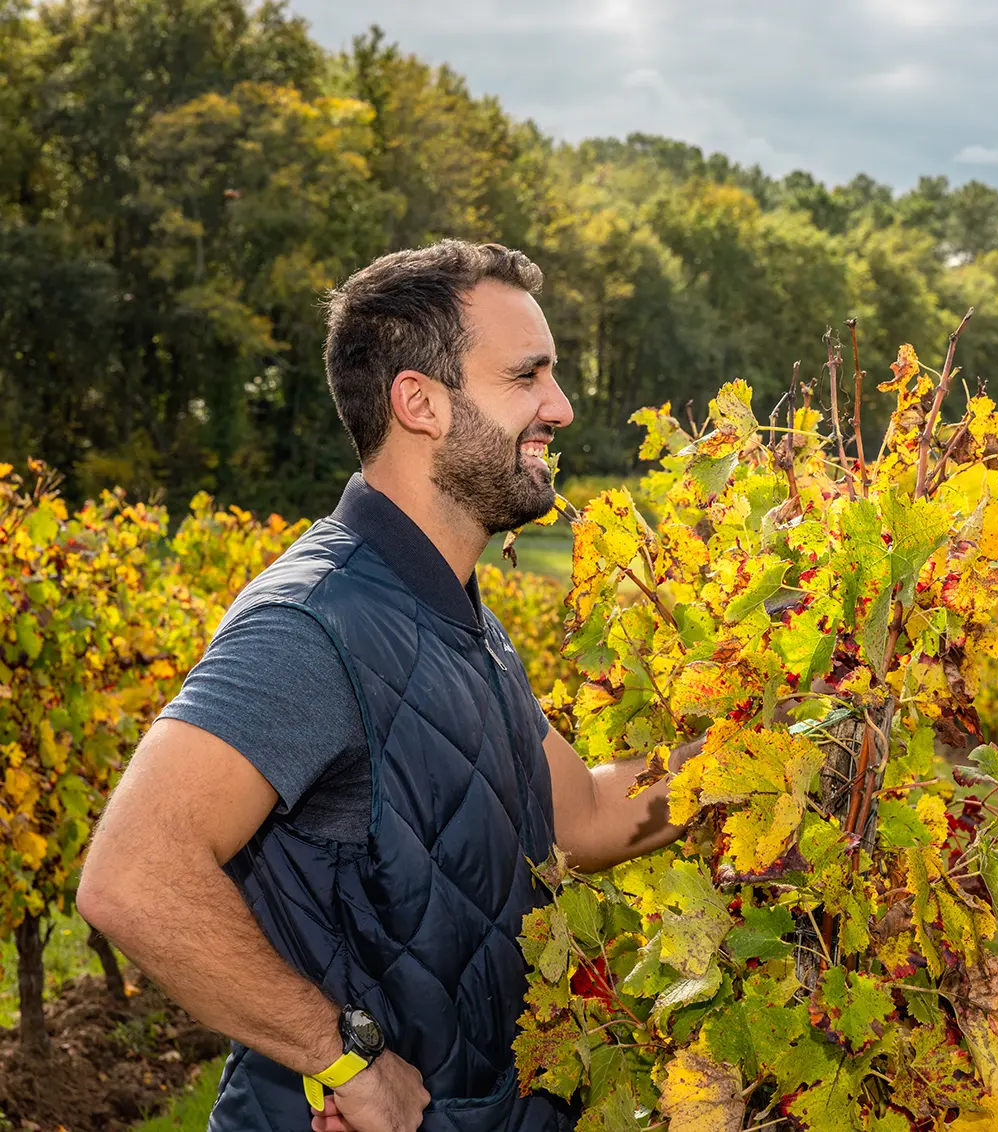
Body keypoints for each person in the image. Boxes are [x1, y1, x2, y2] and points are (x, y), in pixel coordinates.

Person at [79, 241, 692, 1132]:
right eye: (528, 377)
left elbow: (585, 818)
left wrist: (783, 752)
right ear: (420, 402)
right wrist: (347, 1057)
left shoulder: (456, 617)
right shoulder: (313, 623)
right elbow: (132, 876)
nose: (559, 407)